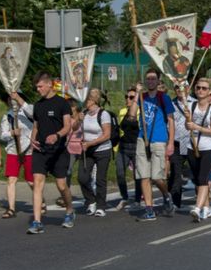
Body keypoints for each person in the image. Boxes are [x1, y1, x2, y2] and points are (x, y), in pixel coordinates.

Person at [28, 71, 74, 234]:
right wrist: (32, 140)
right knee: (37, 182)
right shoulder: (38, 105)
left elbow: (68, 126)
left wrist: (57, 135)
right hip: (41, 150)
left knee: (61, 185)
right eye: (37, 87)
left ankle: (69, 211)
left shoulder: (62, 103)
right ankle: (37, 221)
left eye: (40, 86)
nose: (38, 89)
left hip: (59, 151)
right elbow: (36, 126)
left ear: (49, 84)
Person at [130, 68, 175, 221]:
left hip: (159, 140)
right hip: (143, 139)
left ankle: (166, 195)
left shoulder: (164, 98)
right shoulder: (141, 98)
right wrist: (136, 93)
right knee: (144, 175)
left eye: (153, 78)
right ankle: (149, 209)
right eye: (148, 78)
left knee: (157, 177)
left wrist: (170, 143)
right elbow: (131, 114)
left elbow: (171, 120)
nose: (150, 81)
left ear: (158, 81)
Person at [185, 78, 211, 221]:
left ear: (210, 91)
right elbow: (188, 126)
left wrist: (196, 127)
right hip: (191, 147)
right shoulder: (191, 106)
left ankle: (197, 208)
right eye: (198, 88)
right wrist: (188, 122)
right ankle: (206, 207)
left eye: (204, 88)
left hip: (207, 147)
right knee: (198, 180)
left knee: (203, 178)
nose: (200, 90)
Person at [78, 88, 112, 217]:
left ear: (93, 100)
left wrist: (91, 143)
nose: (84, 102)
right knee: (82, 177)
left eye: (87, 99)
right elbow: (75, 128)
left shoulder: (103, 114)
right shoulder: (84, 113)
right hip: (87, 150)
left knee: (100, 179)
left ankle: (101, 206)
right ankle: (91, 200)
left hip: (102, 149)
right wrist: (78, 120)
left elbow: (107, 135)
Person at [0, 92, 34, 218]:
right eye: (9, 99)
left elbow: (33, 114)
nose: (11, 101)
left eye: (13, 98)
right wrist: (11, 133)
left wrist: (19, 100)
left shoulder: (28, 110)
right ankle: (11, 208)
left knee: (31, 182)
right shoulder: (7, 116)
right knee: (11, 179)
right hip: (13, 150)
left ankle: (40, 201)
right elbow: (3, 135)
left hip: (29, 149)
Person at [115, 87, 142, 210]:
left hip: (137, 146)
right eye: (127, 96)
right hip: (123, 147)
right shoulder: (122, 111)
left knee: (138, 174)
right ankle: (124, 196)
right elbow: (120, 130)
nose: (128, 99)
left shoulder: (140, 112)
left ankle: (137, 198)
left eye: (131, 97)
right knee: (120, 173)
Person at [168, 84, 191, 208]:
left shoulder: (194, 103)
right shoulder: (171, 104)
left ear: (187, 88)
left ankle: (202, 200)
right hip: (176, 142)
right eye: (176, 87)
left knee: (196, 172)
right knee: (176, 172)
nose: (179, 90)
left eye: (181, 87)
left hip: (191, 142)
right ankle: (176, 201)